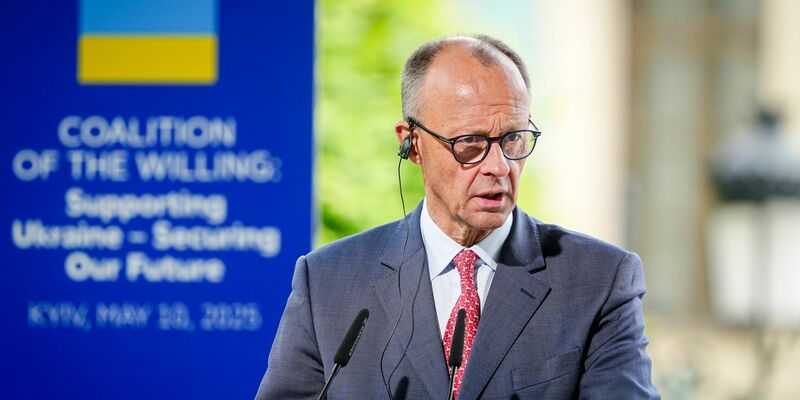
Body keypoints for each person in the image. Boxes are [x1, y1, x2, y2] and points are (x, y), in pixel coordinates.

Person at [256, 35, 659, 399]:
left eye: (513, 138)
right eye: (471, 142)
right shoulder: (328, 282)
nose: (499, 166)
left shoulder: (599, 280)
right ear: (411, 143)